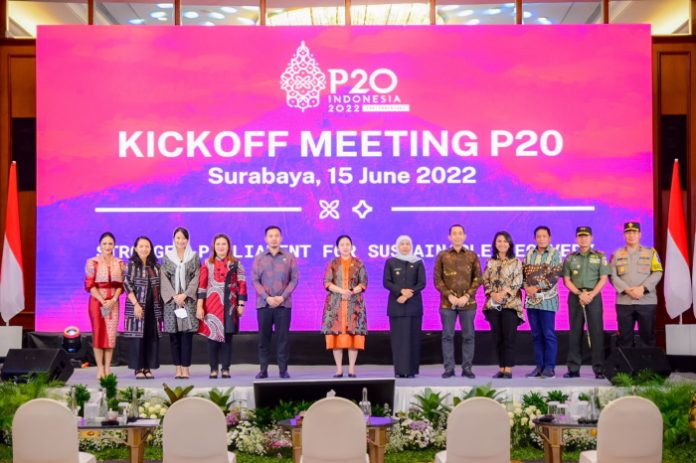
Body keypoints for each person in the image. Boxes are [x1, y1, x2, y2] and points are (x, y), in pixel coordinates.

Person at [434, 224, 482, 379]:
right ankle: (449, 369)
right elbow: (437, 279)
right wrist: (450, 296)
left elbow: (478, 278)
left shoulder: (472, 256)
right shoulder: (442, 255)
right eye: (454, 233)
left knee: (468, 336)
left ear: (464, 236)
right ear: (449, 237)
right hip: (447, 304)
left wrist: (466, 296)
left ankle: (467, 368)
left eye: (460, 233)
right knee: (447, 336)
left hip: (468, 303)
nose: (457, 236)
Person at [563, 226, 611, 379]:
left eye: (586, 236)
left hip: (593, 296)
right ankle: (573, 369)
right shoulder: (570, 258)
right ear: (576, 239)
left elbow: (603, 278)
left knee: (596, 333)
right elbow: (566, 280)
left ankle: (599, 369)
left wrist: (591, 295)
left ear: (591, 238)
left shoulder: (600, 256)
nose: (583, 239)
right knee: (575, 333)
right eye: (580, 236)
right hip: (575, 296)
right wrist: (579, 294)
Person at [252, 225, 299, 379]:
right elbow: (254, 281)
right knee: (263, 339)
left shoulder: (289, 257)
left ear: (281, 238)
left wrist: (282, 297)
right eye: (270, 236)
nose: (274, 238)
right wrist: (267, 298)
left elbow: (294, 280)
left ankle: (283, 370)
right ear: (266, 239)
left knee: (282, 339)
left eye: (276, 235)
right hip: (264, 305)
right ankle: (263, 370)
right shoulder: (259, 258)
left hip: (283, 305)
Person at [197, 234, 247, 379]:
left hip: (230, 306)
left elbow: (242, 285)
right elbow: (202, 286)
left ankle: (225, 369)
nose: (221, 247)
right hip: (212, 306)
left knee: (227, 339)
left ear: (228, 246)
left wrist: (241, 304)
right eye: (218, 244)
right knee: (212, 339)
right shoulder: (207, 264)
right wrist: (200, 306)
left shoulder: (236, 263)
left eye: (223, 244)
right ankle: (213, 369)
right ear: (214, 247)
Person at [610, 222, 663, 348]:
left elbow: (658, 272)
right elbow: (612, 276)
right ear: (624, 235)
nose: (631, 235)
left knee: (648, 338)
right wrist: (627, 290)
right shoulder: (616, 254)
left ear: (640, 234)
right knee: (624, 339)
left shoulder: (651, 252)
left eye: (634, 232)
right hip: (624, 302)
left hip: (646, 301)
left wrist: (642, 289)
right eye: (628, 232)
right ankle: (626, 362)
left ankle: (647, 361)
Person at [322, 235, 367, 378]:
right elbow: (327, 283)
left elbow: (363, 283)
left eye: (348, 244)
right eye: (342, 244)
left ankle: (352, 369)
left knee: (353, 336)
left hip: (354, 304)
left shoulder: (358, 263)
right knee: (336, 337)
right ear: (338, 247)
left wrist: (351, 291)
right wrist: (342, 291)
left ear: (351, 246)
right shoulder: (333, 263)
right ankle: (339, 369)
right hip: (335, 303)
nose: (345, 247)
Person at [383, 235, 426, 378]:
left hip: (413, 306)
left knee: (413, 339)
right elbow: (386, 282)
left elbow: (422, 283)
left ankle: (411, 370)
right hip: (397, 306)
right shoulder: (391, 262)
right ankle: (400, 370)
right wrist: (400, 291)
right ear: (397, 246)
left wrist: (408, 294)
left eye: (408, 243)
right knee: (398, 340)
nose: (405, 246)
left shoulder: (418, 262)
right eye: (402, 243)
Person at [160, 227, 200, 380]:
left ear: (187, 240)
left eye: (183, 238)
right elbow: (164, 278)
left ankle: (186, 368)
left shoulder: (194, 257)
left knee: (186, 337)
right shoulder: (167, 258)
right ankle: (177, 369)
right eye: (178, 238)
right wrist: (174, 296)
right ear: (174, 239)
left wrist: (185, 294)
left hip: (187, 302)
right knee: (174, 337)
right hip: (172, 302)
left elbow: (197, 277)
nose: (180, 241)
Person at [523, 226, 563, 379]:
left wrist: (536, 287)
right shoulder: (529, 254)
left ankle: (549, 368)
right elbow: (523, 275)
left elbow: (554, 276)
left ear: (549, 238)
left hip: (548, 301)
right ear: (534, 238)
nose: (541, 239)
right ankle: (539, 367)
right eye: (538, 236)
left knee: (548, 334)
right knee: (536, 335)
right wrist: (527, 287)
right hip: (532, 301)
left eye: (544, 236)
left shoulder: (555, 254)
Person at [483, 231, 524, 379]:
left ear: (509, 244)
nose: (502, 244)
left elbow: (518, 281)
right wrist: (492, 293)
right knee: (497, 337)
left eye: (505, 241)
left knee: (509, 337)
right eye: (499, 241)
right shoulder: (490, 262)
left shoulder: (516, 262)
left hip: (510, 305)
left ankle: (508, 369)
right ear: (495, 244)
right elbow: (485, 281)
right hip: (494, 305)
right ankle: (501, 368)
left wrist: (504, 293)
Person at [84, 232, 125, 379]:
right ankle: (99, 368)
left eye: (110, 243)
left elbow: (121, 285)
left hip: (113, 302)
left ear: (114, 246)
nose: (108, 246)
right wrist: (102, 300)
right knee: (98, 334)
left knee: (111, 336)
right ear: (100, 245)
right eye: (105, 243)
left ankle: (107, 368)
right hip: (97, 302)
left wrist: (113, 299)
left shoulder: (120, 263)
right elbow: (89, 285)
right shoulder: (92, 262)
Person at [123, 236, 163, 380]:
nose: (144, 249)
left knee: (150, 338)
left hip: (153, 308)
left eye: (147, 246)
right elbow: (126, 284)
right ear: (135, 248)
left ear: (150, 249)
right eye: (141, 246)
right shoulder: (131, 265)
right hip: (137, 306)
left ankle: (147, 367)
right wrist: (136, 304)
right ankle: (138, 368)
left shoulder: (156, 267)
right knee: (137, 339)